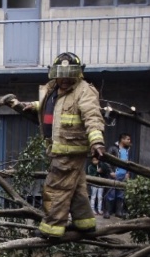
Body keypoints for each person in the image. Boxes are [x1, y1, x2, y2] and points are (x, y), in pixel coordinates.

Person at [14, 52, 106, 239]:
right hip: (60, 148)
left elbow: (93, 117)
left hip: (69, 150)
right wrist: (33, 106)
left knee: (56, 188)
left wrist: (97, 141)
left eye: (69, 74)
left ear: (78, 73)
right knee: (76, 187)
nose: (64, 78)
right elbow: (53, 106)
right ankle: (85, 223)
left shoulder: (84, 91)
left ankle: (52, 229)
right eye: (60, 73)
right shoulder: (53, 89)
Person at [104, 133, 132, 219]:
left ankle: (118, 211)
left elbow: (128, 162)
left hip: (123, 175)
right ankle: (107, 211)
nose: (129, 141)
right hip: (114, 174)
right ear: (122, 140)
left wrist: (127, 173)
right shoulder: (113, 148)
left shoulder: (128, 150)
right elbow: (106, 160)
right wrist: (111, 171)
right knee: (110, 194)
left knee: (121, 194)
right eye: (127, 139)